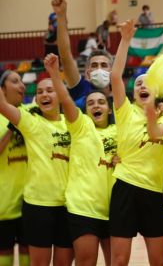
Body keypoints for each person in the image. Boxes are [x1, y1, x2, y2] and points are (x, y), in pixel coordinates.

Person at [43, 53, 117, 266]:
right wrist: (55, 73)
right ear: (84, 110)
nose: (96, 106)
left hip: (113, 207)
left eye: (101, 102)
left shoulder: (119, 129)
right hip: (83, 207)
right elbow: (65, 99)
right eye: (91, 103)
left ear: (109, 108)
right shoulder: (81, 125)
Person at [109, 19, 163, 266]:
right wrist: (125, 40)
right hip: (125, 187)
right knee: (120, 259)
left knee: (158, 259)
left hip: (154, 192)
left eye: (148, 84)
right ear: (134, 93)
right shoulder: (125, 111)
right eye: (138, 84)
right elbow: (115, 76)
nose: (143, 86)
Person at [0, 77, 73, 266]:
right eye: (39, 92)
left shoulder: (74, 122)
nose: (44, 94)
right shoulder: (30, 121)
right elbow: (3, 105)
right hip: (33, 204)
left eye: (50, 90)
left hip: (69, 205)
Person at [52, 0, 114, 109]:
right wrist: (61, 16)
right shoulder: (80, 87)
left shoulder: (120, 96)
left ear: (112, 71)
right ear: (88, 72)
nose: (99, 69)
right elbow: (65, 56)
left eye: (104, 65)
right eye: (94, 65)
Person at [0, 70, 29, 266]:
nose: (22, 86)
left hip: (31, 202)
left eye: (22, 82)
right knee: (5, 251)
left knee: (29, 249)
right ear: (2, 90)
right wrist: (12, 126)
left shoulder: (31, 112)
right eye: (15, 81)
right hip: (4, 204)